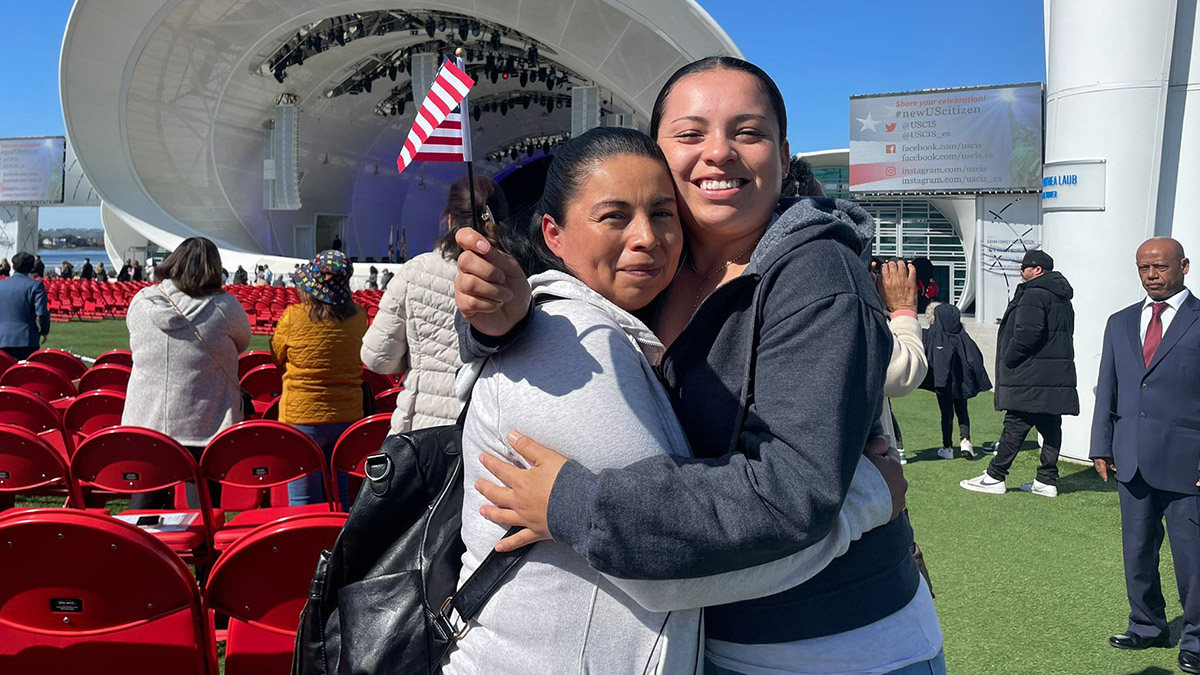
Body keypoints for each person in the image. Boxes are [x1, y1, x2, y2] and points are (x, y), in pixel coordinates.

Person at [454, 57, 941, 674]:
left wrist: (573, 503)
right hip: (709, 637)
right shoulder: (661, 268)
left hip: (833, 646)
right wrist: (501, 320)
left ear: (783, 155)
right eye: (690, 134)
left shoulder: (816, 275)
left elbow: (792, 496)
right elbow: (566, 316)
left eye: (748, 132)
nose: (719, 153)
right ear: (658, 154)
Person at [1091, 237, 1200, 673]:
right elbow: (1109, 388)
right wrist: (1101, 445)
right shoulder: (1120, 322)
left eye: (1159, 267)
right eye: (1143, 268)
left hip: (1186, 463)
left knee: (1192, 557)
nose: (1151, 275)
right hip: (1131, 457)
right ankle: (1147, 624)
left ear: (1183, 266)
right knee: (1136, 551)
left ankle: (1196, 638)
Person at [361, 175, 509, 435]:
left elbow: (377, 357)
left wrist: (420, 359)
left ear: (449, 219)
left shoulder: (416, 272)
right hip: (496, 428)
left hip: (426, 431)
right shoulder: (520, 278)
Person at [122, 237, 251, 508]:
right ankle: (202, 548)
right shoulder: (224, 307)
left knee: (147, 501)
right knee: (202, 504)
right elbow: (243, 342)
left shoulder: (141, 302)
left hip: (147, 417)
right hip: (205, 416)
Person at [961, 249, 1078, 498]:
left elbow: (1028, 333)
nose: (1021, 271)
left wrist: (1009, 358)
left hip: (1030, 373)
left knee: (1015, 424)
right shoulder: (1062, 298)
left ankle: (995, 476)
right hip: (1053, 375)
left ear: (1037, 270)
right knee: (1050, 426)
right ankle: (1046, 480)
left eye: (1025, 266)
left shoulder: (1034, 293)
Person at [271, 250, 367, 508]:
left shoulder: (292, 316)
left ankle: (306, 548)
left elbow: (278, 357)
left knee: (303, 502)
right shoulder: (359, 317)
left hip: (302, 418)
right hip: (348, 417)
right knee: (344, 500)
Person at [922, 302, 991, 459]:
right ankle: (965, 440)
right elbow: (975, 357)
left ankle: (947, 447)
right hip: (962, 381)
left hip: (943, 382)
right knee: (962, 411)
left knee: (946, 414)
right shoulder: (962, 335)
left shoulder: (934, 334)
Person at [0, 252, 50, 361]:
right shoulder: (35, 286)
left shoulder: (1, 285)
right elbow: (41, 312)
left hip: (2, 337)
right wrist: (44, 330)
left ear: (13, 266)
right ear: (31, 267)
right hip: (26, 338)